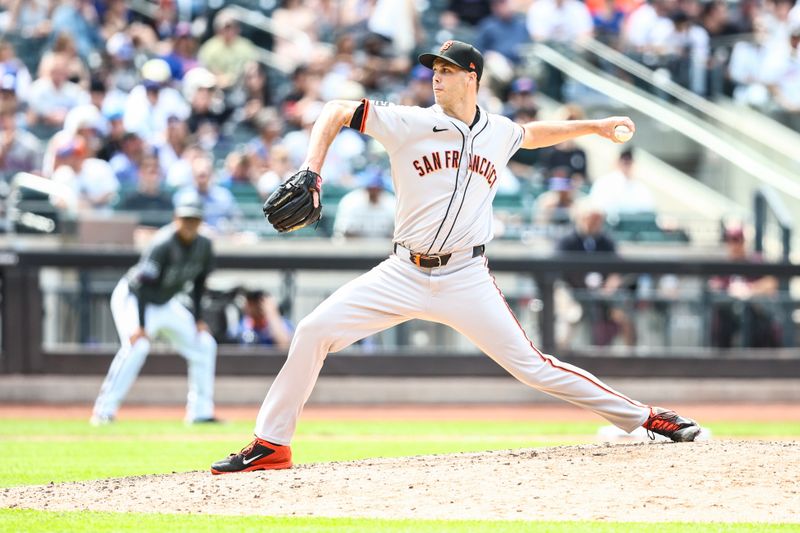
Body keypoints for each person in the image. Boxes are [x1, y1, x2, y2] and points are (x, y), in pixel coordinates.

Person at [211, 40, 701, 475]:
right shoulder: (412, 121)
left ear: (473, 77)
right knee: (314, 331)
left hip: (467, 274)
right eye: (433, 69)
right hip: (402, 270)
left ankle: (647, 418)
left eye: (446, 69)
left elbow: (531, 134)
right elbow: (337, 109)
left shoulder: (498, 131)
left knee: (534, 366)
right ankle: (272, 443)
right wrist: (311, 171)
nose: (436, 76)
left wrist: (594, 126)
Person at [91, 196, 217, 425]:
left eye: (194, 220)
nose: (189, 224)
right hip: (134, 298)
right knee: (137, 346)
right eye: (185, 219)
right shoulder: (162, 243)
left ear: (200, 222)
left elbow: (199, 284)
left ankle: (200, 412)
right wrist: (139, 325)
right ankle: (103, 411)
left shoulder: (204, 245)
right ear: (175, 219)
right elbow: (141, 285)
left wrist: (198, 319)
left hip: (165, 302)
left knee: (205, 343)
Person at [709, 226, 780, 348]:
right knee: (720, 320)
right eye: (730, 241)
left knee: (759, 323)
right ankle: (720, 362)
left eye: (737, 240)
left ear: (743, 242)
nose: (734, 245)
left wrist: (749, 289)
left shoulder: (755, 260)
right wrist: (729, 290)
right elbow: (713, 285)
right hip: (729, 314)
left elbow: (771, 282)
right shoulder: (723, 265)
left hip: (755, 313)